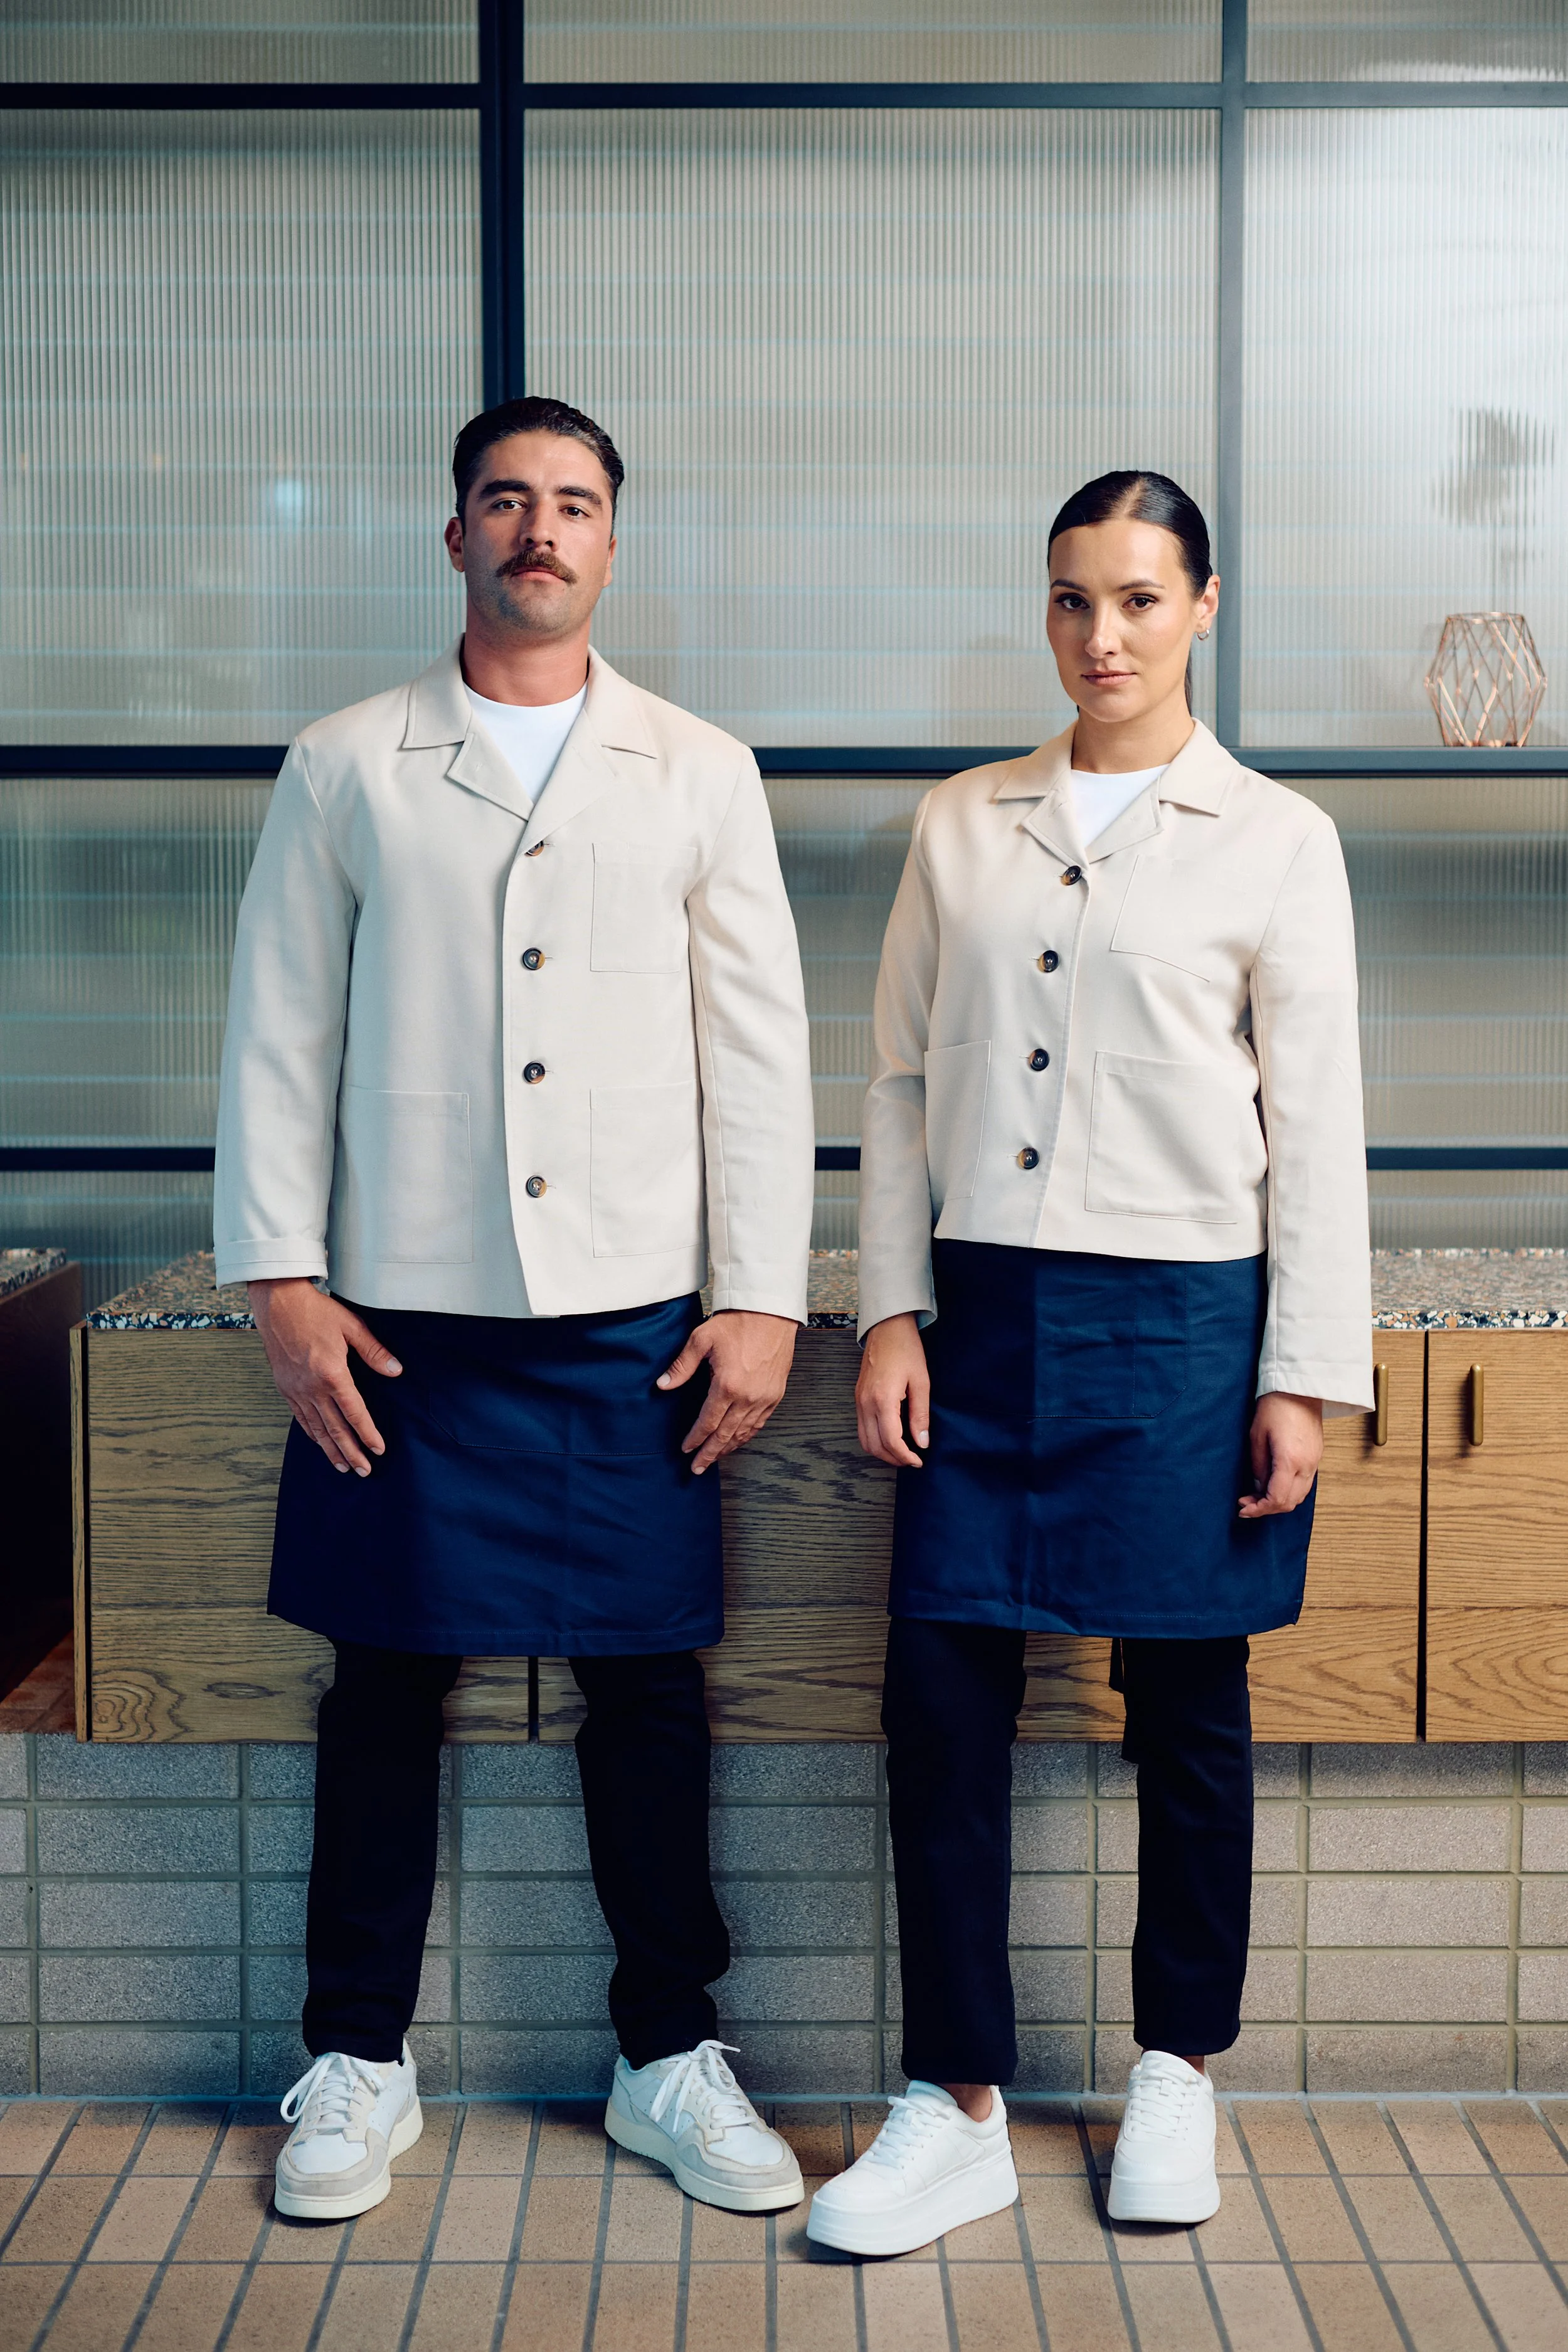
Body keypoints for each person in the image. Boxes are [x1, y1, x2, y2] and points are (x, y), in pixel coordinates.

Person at [215, 395, 815, 2225]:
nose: (538, 529)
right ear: (453, 531)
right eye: (505, 499)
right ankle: (354, 2060)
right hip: (403, 1311)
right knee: (382, 1686)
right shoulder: (347, 763)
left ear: (612, 541)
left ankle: (664, 2055)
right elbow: (277, 1032)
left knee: (649, 1687)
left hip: (632, 1316)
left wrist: (764, 1300)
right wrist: (281, 1278)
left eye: (572, 503)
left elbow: (758, 1057)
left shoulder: (698, 767)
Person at [807, 470, 1371, 2257]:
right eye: (1070, 600)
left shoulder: (1275, 836)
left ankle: (1178, 2073)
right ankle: (952, 2096)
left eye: (1137, 598)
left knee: (1189, 1717)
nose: (1100, 634)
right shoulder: (960, 824)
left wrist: (1302, 1370)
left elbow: (1320, 1128)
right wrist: (889, 1307)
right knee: (938, 1708)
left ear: (1203, 605)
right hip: (980, 1312)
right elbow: (898, 1083)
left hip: (1187, 1317)